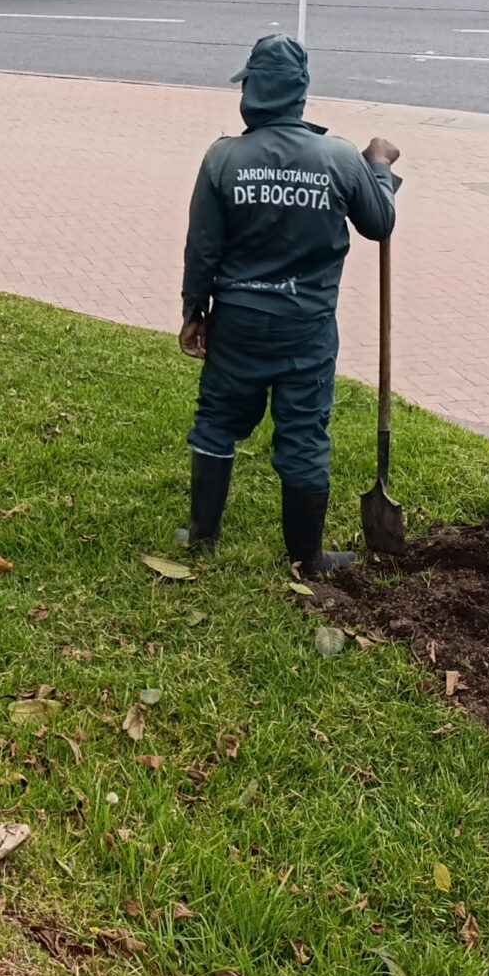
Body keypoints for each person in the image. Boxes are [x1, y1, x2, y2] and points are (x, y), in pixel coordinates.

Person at [177, 35, 400, 576]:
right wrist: (379, 169)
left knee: (217, 421)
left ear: (253, 90)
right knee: (303, 433)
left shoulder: (223, 157)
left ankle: (201, 535)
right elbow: (380, 223)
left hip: (237, 323)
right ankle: (308, 557)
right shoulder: (340, 157)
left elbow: (202, 248)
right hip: (306, 328)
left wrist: (193, 311)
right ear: (299, 93)